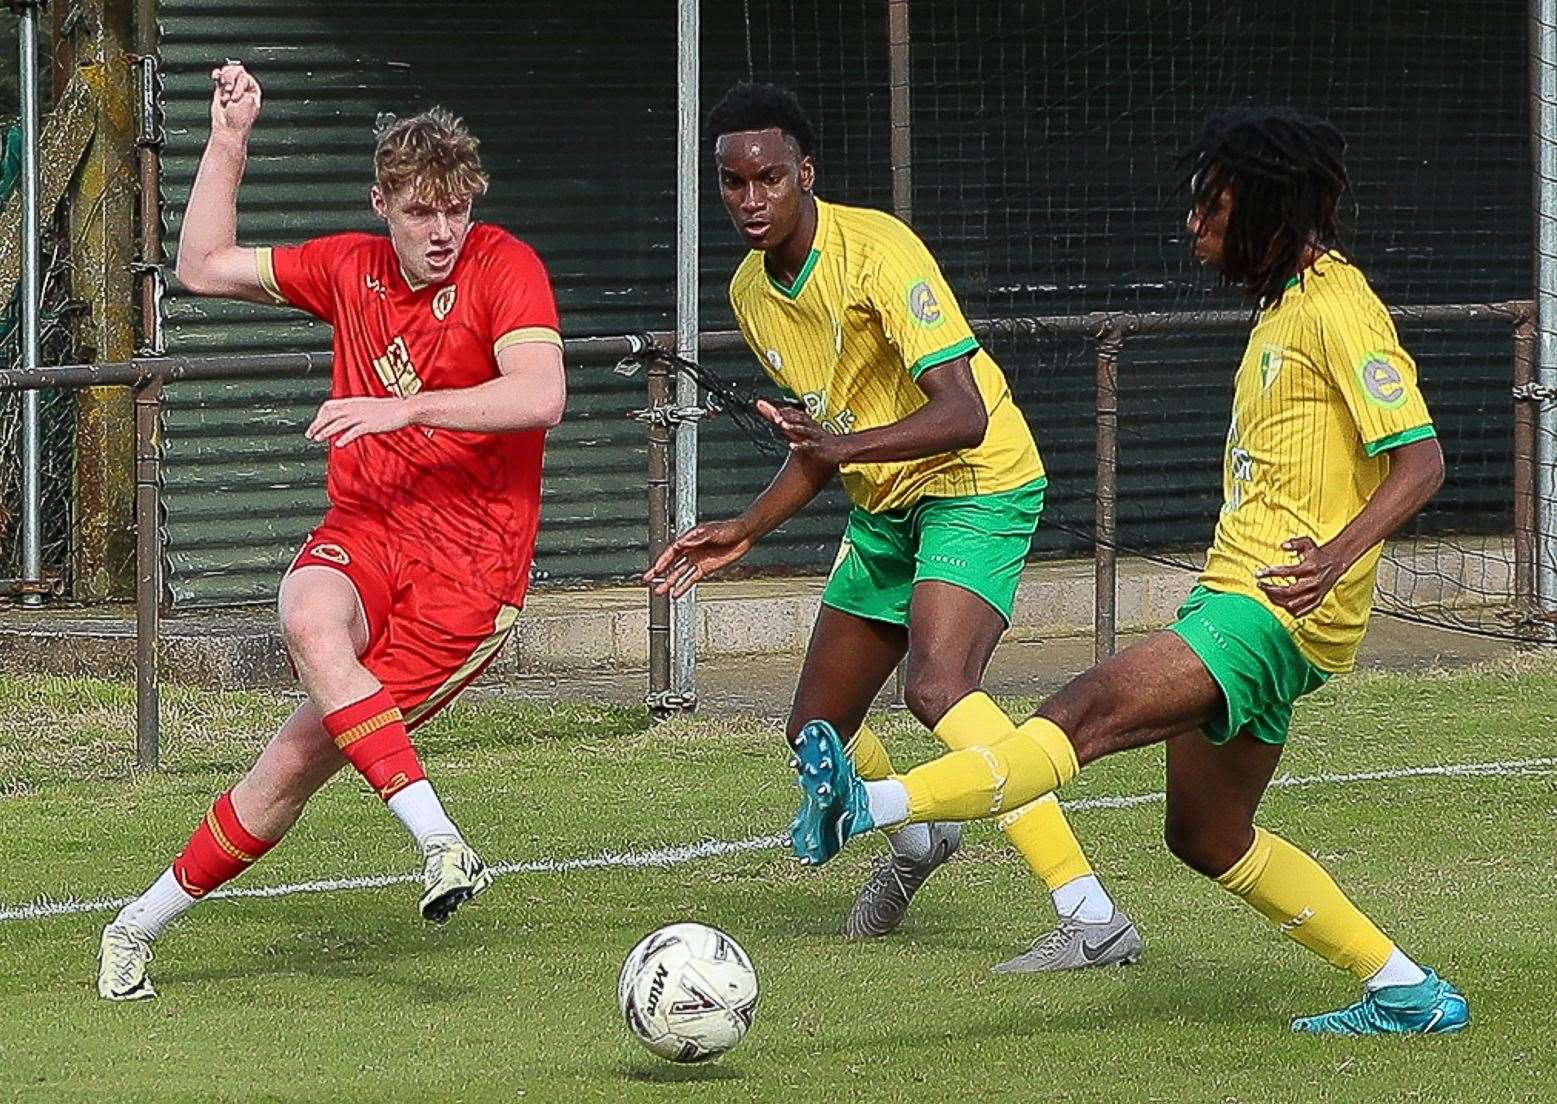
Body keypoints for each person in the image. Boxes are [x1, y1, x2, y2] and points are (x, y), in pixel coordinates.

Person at [789, 106, 1470, 1036]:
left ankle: (869, 805)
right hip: (1244, 601)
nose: (1193, 226)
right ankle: (1405, 991)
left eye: (1211, 207)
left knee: (1080, 712)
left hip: (1270, 612)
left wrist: (1334, 558)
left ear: (1266, 208)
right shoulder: (1285, 310)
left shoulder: (1338, 308)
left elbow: (1421, 459)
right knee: (1205, 835)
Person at [96, 63, 566, 1001]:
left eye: (456, 211)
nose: (442, 232)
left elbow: (541, 395)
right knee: (308, 617)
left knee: (294, 762)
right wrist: (229, 138)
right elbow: (199, 267)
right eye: (421, 212)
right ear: (381, 204)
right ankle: (439, 842)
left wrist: (406, 411)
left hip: (469, 581)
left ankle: (135, 923)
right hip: (370, 529)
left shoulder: (504, 265)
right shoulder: (350, 266)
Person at [647, 83, 1140, 970]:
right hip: (885, 503)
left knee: (937, 687)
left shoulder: (877, 252)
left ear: (806, 173)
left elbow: (961, 414)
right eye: (732, 183)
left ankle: (1091, 915)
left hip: (973, 482)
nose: (751, 199)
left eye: (768, 178)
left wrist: (839, 446)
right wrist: (745, 528)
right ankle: (917, 844)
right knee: (813, 730)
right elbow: (820, 440)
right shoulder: (750, 294)